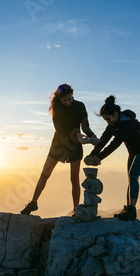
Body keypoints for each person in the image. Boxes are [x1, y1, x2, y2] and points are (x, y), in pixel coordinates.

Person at [21, 83, 98, 215]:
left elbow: (85, 126)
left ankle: (76, 209)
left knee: (74, 179)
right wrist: (77, 135)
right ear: (59, 99)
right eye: (64, 100)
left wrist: (92, 137)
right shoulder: (56, 107)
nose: (68, 102)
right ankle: (33, 202)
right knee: (45, 174)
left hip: (75, 145)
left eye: (70, 99)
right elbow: (60, 129)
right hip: (59, 144)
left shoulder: (80, 106)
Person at [86, 95, 140, 221]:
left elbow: (115, 143)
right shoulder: (113, 125)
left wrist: (99, 157)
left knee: (134, 176)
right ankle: (129, 208)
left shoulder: (128, 123)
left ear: (115, 113)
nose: (108, 122)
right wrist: (92, 154)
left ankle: (132, 211)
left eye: (109, 119)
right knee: (130, 177)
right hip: (134, 151)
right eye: (106, 120)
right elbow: (103, 141)